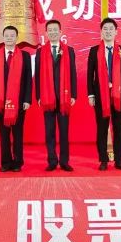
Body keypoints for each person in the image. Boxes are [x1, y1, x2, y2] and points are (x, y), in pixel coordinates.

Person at [87, 17, 121, 170]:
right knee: (101, 128)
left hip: (120, 95)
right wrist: (91, 95)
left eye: (111, 29)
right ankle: (103, 160)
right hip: (101, 96)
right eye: (105, 29)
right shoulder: (94, 51)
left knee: (118, 129)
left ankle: (119, 160)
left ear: (116, 32)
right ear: (101, 32)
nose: (108, 32)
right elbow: (90, 74)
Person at [34, 19, 77, 172]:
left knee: (64, 132)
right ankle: (52, 161)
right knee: (49, 131)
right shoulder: (40, 52)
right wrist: (38, 96)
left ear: (60, 32)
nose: (52, 32)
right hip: (47, 97)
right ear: (46, 33)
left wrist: (73, 95)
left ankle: (64, 161)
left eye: (55, 30)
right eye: (50, 30)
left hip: (64, 97)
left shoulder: (69, 50)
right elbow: (37, 75)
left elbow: (73, 73)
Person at [0, 25, 32, 172]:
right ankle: (5, 162)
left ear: (16, 37)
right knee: (4, 134)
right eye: (6, 35)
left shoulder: (25, 56)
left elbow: (28, 79)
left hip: (19, 101)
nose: (9, 38)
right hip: (0, 101)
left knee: (18, 133)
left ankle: (18, 162)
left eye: (12, 35)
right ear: (3, 37)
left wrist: (27, 99)